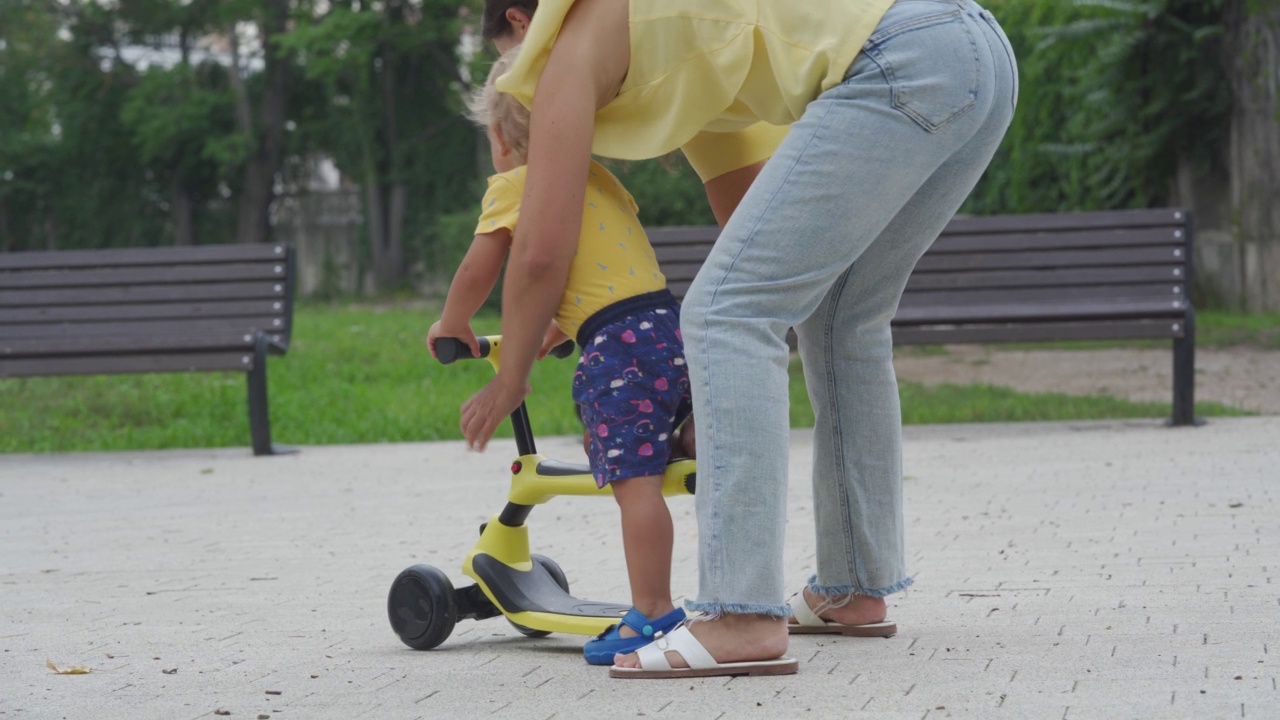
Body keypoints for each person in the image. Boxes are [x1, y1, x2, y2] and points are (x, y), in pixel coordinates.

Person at [467, 0, 1018, 678]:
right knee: (840, 315)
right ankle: (853, 587)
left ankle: (740, 615)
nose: (525, 88)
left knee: (722, 311)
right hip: (972, 54)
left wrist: (512, 371)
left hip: (903, 60)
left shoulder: (571, 47)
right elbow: (762, 234)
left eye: (511, 63)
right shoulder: (680, 65)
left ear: (524, 24)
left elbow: (540, 254)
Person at [426, 47, 694, 666]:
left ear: (499, 135)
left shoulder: (514, 185)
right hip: (668, 327)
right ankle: (690, 432)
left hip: (617, 347)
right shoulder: (599, 176)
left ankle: (653, 612)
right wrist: (551, 332)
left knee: (635, 486)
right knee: (661, 444)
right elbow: (597, 273)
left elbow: (479, 268)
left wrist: (453, 322)